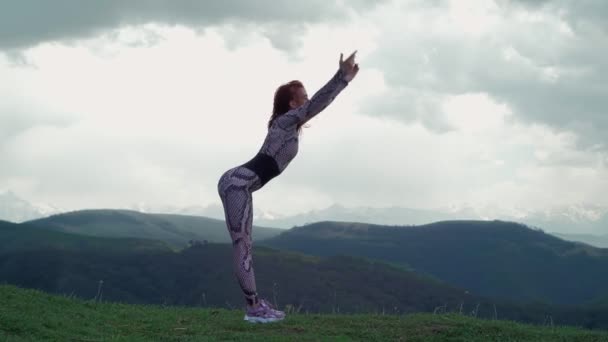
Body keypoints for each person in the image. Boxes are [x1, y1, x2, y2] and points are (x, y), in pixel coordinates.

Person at [217, 51, 359, 323]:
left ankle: (255, 305)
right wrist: (341, 78)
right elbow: (319, 103)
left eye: (305, 97)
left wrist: (342, 80)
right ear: (292, 103)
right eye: (302, 97)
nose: (307, 100)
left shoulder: (288, 127)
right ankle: (254, 309)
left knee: (244, 245)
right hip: (237, 184)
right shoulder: (284, 122)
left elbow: (315, 104)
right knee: (242, 245)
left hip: (240, 184)